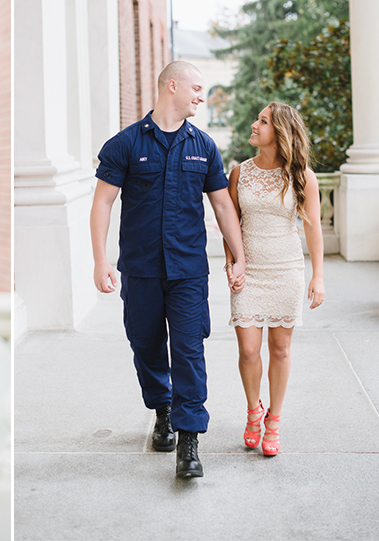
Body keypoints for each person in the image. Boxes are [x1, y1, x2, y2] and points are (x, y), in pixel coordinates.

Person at [90, 61, 246, 479]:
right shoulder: (124, 144)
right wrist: (100, 259)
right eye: (196, 88)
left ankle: (189, 439)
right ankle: (162, 407)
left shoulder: (204, 146)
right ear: (171, 86)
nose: (201, 95)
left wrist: (240, 255)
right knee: (145, 344)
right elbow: (103, 202)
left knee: (189, 350)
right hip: (140, 269)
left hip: (189, 270)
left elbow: (222, 204)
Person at [224, 102, 324, 457]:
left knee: (280, 349)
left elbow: (313, 231)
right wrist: (232, 263)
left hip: (286, 270)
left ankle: (274, 420)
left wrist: (318, 276)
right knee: (248, 349)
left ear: (279, 132)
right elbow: (229, 223)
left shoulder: (302, 176)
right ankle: (254, 411)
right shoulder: (239, 173)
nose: (254, 125)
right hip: (249, 272)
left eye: (262, 121)